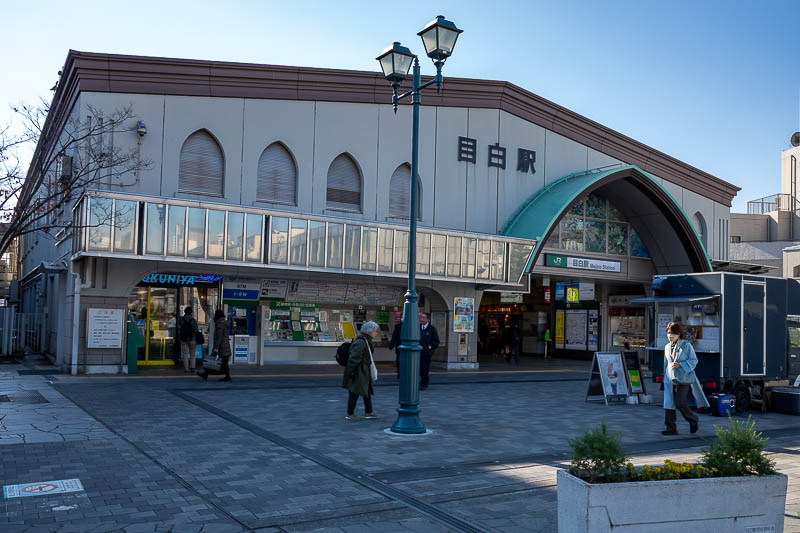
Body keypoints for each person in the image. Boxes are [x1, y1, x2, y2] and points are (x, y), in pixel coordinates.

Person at [663, 322, 709, 435]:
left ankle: (693, 419)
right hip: (670, 378)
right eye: (669, 333)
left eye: (673, 333)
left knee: (680, 402)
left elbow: (694, 360)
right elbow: (666, 363)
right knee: (668, 402)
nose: (670, 336)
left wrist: (681, 364)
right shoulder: (667, 347)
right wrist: (665, 376)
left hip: (684, 378)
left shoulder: (686, 345)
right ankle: (671, 428)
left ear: (679, 334)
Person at [342, 321, 380, 421]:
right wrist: (351, 372)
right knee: (355, 391)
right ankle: (350, 413)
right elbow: (354, 358)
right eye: (375, 330)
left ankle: (369, 412)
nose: (376, 333)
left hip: (364, 371)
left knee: (366, 390)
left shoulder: (366, 340)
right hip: (359, 371)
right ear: (369, 331)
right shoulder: (361, 342)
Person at [198, 309, 231, 382]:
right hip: (225, 346)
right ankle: (206, 374)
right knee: (222, 362)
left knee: (212, 360)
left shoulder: (220, 325)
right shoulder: (223, 323)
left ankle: (206, 374)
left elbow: (219, 337)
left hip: (221, 347)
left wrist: (216, 347)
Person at [419, 312, 440, 390]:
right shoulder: (418, 327)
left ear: (428, 319)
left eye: (423, 318)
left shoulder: (432, 329)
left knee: (425, 368)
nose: (421, 319)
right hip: (418, 352)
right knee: (420, 369)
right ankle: (425, 379)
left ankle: (424, 383)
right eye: (421, 317)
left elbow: (436, 341)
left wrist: (430, 346)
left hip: (427, 353)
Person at [178, 306, 199, 373]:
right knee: (192, 354)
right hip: (192, 339)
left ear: (185, 312)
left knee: (185, 354)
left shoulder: (181, 320)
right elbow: (196, 330)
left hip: (184, 339)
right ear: (191, 312)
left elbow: (179, 328)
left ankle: (186, 368)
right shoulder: (193, 320)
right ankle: (192, 368)